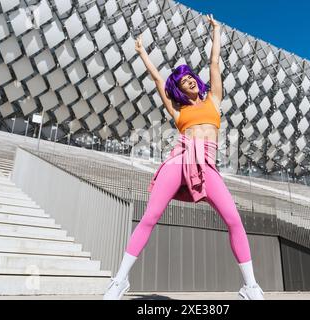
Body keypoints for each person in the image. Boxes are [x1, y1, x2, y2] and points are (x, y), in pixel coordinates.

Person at [103, 14, 264, 300]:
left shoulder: (214, 99)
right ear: (179, 88)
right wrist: (142, 53)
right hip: (179, 157)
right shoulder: (178, 111)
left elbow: (214, 63)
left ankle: (250, 286)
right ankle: (119, 281)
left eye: (191, 76)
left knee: (234, 220)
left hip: (207, 163)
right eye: (183, 80)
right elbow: (157, 79)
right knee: (150, 215)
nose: (189, 79)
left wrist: (216, 31)